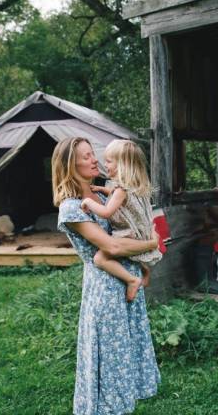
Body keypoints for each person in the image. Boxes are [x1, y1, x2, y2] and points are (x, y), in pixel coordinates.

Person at [52, 137, 161, 415]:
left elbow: (131, 221)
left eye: (93, 154)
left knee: (125, 351)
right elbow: (110, 245)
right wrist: (151, 244)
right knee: (110, 356)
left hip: (126, 280)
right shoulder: (72, 207)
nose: (95, 160)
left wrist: (143, 262)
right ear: (69, 164)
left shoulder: (102, 196)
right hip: (105, 287)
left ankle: (123, 405)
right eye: (86, 156)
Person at [80, 139, 162, 302]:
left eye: (109, 161)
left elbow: (106, 212)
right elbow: (121, 198)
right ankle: (144, 269)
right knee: (132, 255)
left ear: (122, 165)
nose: (105, 164)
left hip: (128, 235)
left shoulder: (120, 191)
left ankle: (132, 280)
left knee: (99, 259)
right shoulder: (133, 185)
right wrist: (104, 190)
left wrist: (88, 202)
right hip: (141, 233)